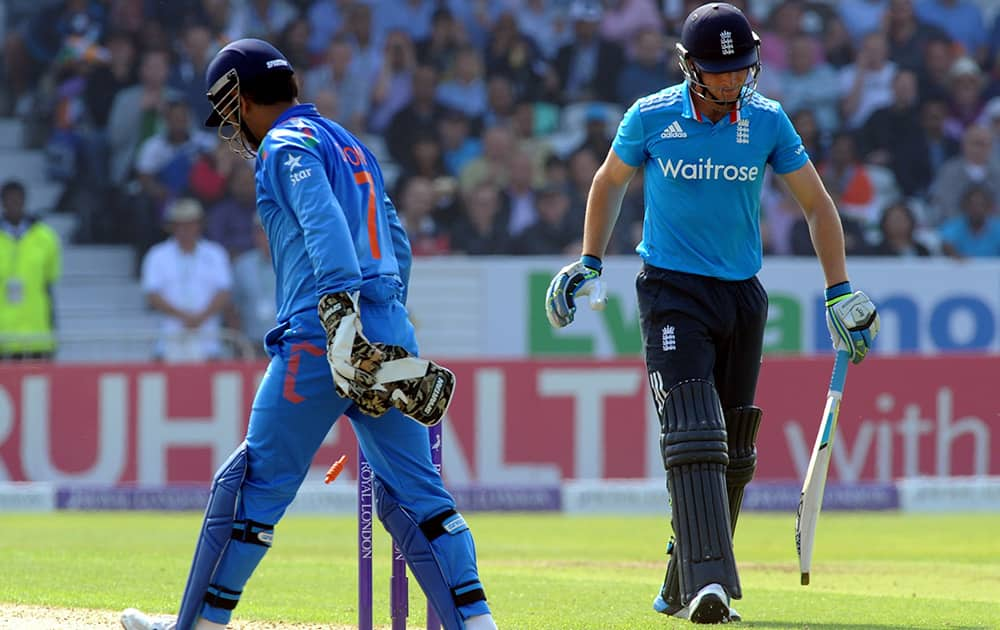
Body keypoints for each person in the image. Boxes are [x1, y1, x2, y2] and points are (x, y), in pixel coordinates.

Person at [121, 38, 497, 630]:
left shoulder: (284, 143)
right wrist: (385, 320)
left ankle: (197, 625)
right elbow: (396, 240)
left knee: (252, 486)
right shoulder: (352, 145)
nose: (231, 129)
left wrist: (343, 323)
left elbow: (321, 219)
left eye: (226, 115)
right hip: (388, 333)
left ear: (241, 102)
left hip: (319, 338)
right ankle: (477, 623)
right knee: (421, 497)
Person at [544, 3, 880, 625]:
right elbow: (608, 182)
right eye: (717, 70)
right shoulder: (650, 116)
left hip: (741, 294)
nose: (731, 81)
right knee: (695, 429)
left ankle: (682, 580)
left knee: (734, 449)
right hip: (672, 290)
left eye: (741, 69)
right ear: (689, 66)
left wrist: (840, 290)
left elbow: (816, 205)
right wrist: (591, 260)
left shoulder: (769, 121)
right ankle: (712, 588)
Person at [140, 198, 233, 363]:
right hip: (169, 336)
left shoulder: (215, 253)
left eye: (190, 224)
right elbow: (152, 295)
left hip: (208, 337)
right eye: (179, 224)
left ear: (199, 225)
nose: (185, 229)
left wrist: (200, 317)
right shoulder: (157, 255)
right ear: (171, 227)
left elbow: (224, 292)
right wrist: (183, 316)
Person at [0, 180, 61, 360]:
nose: (14, 205)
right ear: (2, 203)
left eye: (17, 200)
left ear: (25, 201)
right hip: (4, 333)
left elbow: (50, 281)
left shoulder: (45, 237)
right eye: (9, 200)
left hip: (37, 332)